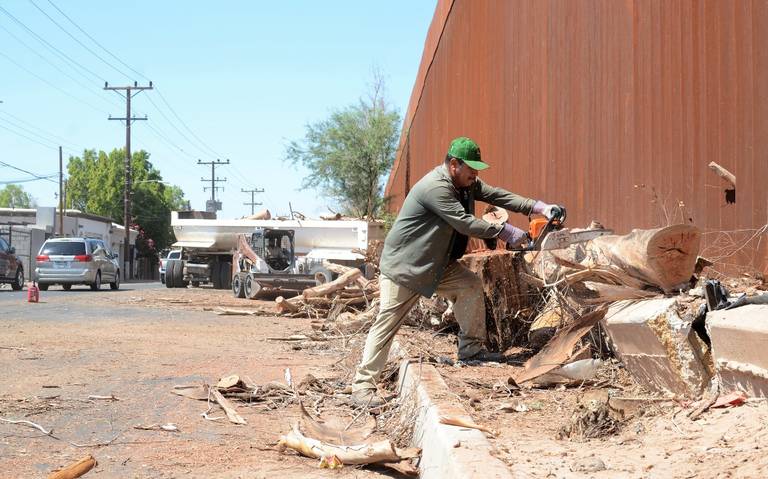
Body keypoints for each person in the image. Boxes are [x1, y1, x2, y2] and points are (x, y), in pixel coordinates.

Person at [351, 137, 565, 407]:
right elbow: (464, 223)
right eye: (471, 169)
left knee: (469, 286)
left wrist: (539, 207)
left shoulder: (465, 184)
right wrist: (507, 232)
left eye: (477, 170)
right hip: (406, 268)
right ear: (454, 165)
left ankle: (471, 350)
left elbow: (498, 195)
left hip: (437, 264)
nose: (475, 175)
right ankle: (362, 388)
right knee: (387, 325)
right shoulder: (435, 188)